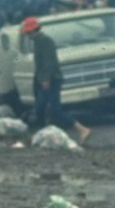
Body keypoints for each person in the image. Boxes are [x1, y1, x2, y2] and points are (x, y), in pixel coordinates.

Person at [21, 16, 92, 145]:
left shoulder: (45, 41)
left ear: (32, 31)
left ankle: (82, 129)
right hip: (44, 80)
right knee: (40, 108)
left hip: (51, 80)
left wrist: (46, 79)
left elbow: (49, 62)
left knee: (55, 111)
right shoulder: (38, 41)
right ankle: (40, 136)